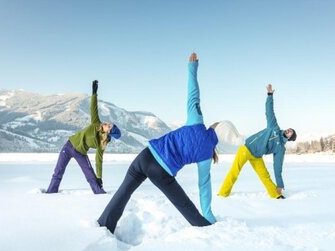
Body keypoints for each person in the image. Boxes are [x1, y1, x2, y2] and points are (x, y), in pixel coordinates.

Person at [98, 53, 219, 234]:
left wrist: (192, 68)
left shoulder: (197, 121)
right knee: (183, 203)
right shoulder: (207, 155)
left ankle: (104, 225)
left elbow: (193, 95)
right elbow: (204, 186)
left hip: (145, 155)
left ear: (215, 127)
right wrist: (208, 213)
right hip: (162, 171)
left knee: (123, 193)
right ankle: (205, 226)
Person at [217, 84, 297, 199]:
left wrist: (280, 184)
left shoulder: (280, 149)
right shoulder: (274, 127)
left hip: (257, 156)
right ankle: (223, 193)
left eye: (291, 132)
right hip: (246, 149)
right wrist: (270, 95)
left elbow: (277, 166)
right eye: (290, 129)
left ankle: (276, 194)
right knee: (234, 172)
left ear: (290, 138)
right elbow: (269, 111)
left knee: (265, 175)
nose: (289, 130)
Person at [46, 80, 121, 194]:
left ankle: (100, 194)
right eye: (108, 123)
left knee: (91, 176)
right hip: (68, 146)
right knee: (58, 172)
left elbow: (98, 160)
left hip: (81, 153)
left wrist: (99, 177)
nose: (107, 123)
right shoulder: (96, 123)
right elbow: (93, 108)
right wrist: (94, 92)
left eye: (109, 126)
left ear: (108, 132)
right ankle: (50, 193)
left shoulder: (102, 144)